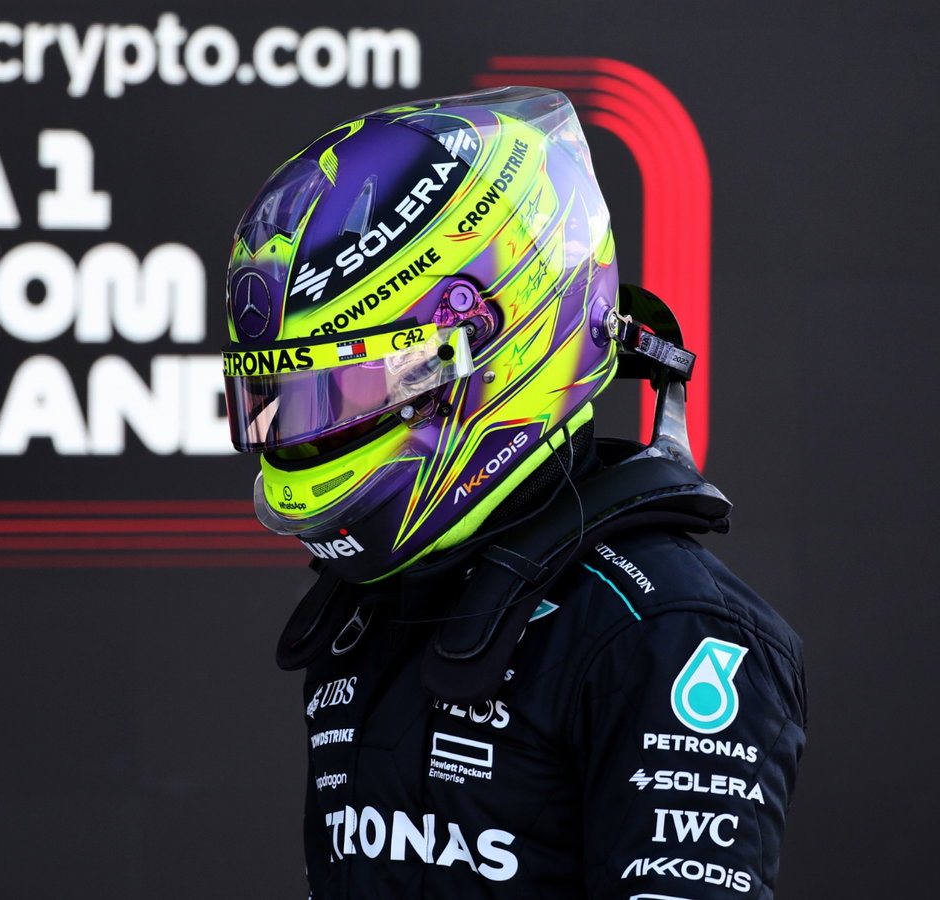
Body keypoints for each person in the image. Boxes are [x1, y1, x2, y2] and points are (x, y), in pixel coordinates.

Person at [220, 87, 806, 899]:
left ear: (492, 344)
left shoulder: (668, 631)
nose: (308, 438)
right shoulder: (377, 606)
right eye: (284, 402)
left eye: (342, 395)